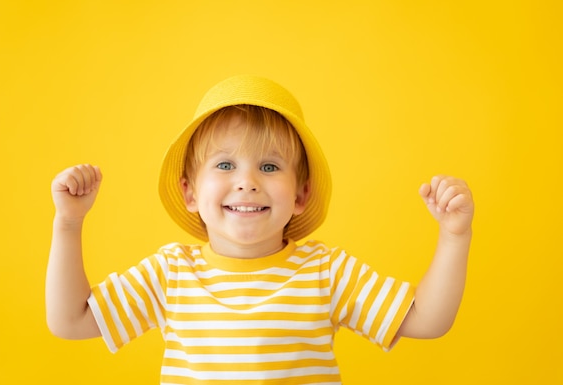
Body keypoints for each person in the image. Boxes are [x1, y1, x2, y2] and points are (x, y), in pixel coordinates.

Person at [46, 75, 474, 384]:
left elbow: (427, 319)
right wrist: (69, 223)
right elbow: (70, 320)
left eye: (269, 166)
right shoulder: (171, 273)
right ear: (190, 193)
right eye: (225, 164)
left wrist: (454, 236)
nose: (247, 181)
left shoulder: (325, 272)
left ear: (300, 195)